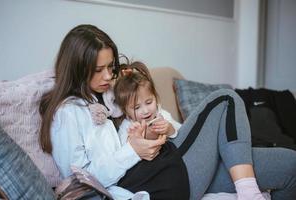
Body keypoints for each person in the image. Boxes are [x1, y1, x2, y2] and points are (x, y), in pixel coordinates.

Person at [39, 24, 296, 200]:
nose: (107, 75)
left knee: (290, 165)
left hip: (170, 162)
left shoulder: (110, 94)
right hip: (156, 179)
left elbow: (144, 103)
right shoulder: (67, 114)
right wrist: (134, 151)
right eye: (98, 70)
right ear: (76, 68)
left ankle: (246, 187)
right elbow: (82, 180)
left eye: (111, 67)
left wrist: (125, 81)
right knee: (225, 100)